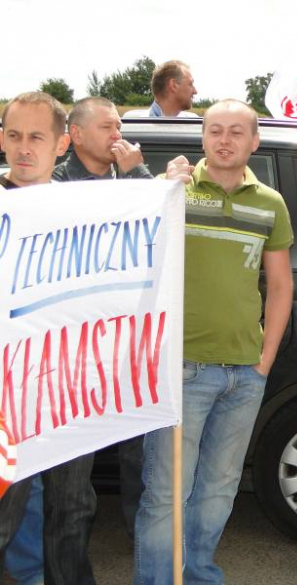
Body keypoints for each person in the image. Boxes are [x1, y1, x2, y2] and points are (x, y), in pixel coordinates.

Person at [133, 99, 294, 584]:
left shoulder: (270, 202)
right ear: (203, 138)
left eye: (236, 132)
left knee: (220, 489)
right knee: (166, 493)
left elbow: (281, 285)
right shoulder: (176, 190)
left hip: (244, 374)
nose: (225, 140)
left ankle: (199, 573)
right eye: (215, 131)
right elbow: (137, 250)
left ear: (254, 141)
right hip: (181, 370)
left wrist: (264, 360)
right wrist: (158, 194)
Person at [0, 91, 98, 585]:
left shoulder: (88, 212)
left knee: (72, 512)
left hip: (68, 391)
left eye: (36, 136)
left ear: (62, 144)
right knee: (3, 512)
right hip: (3, 400)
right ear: (1, 139)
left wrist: (161, 191)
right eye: (14, 135)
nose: (23, 148)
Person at [51, 96, 151, 538]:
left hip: (127, 348)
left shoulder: (130, 180)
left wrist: (139, 176)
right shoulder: (51, 186)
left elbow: (162, 227)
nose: (119, 136)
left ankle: (143, 547)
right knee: (67, 477)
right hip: (69, 355)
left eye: (119, 127)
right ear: (74, 136)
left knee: (139, 461)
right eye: (108, 127)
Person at [124, 60, 198, 118]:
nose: (195, 91)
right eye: (190, 84)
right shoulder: (133, 123)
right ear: (174, 85)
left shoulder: (195, 123)